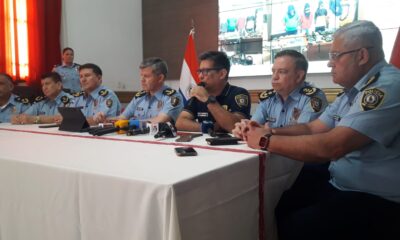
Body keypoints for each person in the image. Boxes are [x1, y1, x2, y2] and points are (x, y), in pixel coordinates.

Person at [236, 20, 400, 239]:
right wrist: (268, 132)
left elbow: (332, 146)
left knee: (297, 225)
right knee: (272, 201)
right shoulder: (353, 91)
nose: (330, 64)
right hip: (340, 182)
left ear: (362, 55)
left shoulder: (386, 87)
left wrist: (265, 141)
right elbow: (314, 128)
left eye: (335, 56)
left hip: (375, 197)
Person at [233, 50, 327, 135]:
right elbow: (254, 125)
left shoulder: (313, 98)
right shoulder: (268, 98)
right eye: (273, 71)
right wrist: (244, 128)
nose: (274, 77)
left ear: (298, 76)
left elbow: (303, 132)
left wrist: (266, 131)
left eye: (282, 72)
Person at [176, 51, 251, 133]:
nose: (200, 76)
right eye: (199, 71)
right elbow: (180, 122)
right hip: (204, 143)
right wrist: (206, 128)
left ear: (222, 74)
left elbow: (235, 126)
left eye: (205, 71)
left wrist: (208, 99)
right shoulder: (199, 94)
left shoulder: (239, 93)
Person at [117, 57, 183, 123]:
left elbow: (160, 121)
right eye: (141, 76)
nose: (142, 80)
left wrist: (131, 122)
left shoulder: (172, 97)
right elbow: (122, 118)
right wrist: (107, 120)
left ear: (160, 78)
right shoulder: (139, 96)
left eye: (146, 76)